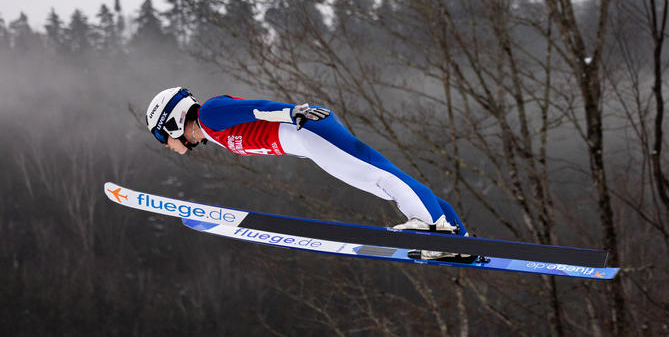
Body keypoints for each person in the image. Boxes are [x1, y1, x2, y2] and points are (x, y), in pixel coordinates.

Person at [145, 87, 469, 259]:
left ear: (171, 122)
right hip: (308, 140)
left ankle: (436, 231)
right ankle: (457, 236)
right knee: (380, 179)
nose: (167, 145)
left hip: (307, 131)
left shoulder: (211, 114)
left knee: (378, 176)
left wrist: (291, 111)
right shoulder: (212, 132)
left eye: (163, 138)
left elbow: (254, 107)